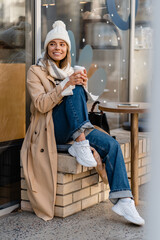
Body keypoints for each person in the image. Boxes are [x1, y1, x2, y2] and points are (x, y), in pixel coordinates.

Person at [21, 20, 145, 225]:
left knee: (111, 145)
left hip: (74, 128)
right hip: (49, 129)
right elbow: (41, 105)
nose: (57, 48)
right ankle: (80, 143)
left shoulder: (70, 72)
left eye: (62, 44)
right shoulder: (36, 72)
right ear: (47, 48)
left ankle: (124, 199)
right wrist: (68, 86)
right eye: (53, 44)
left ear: (67, 49)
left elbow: (80, 112)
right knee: (75, 89)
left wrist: (84, 88)